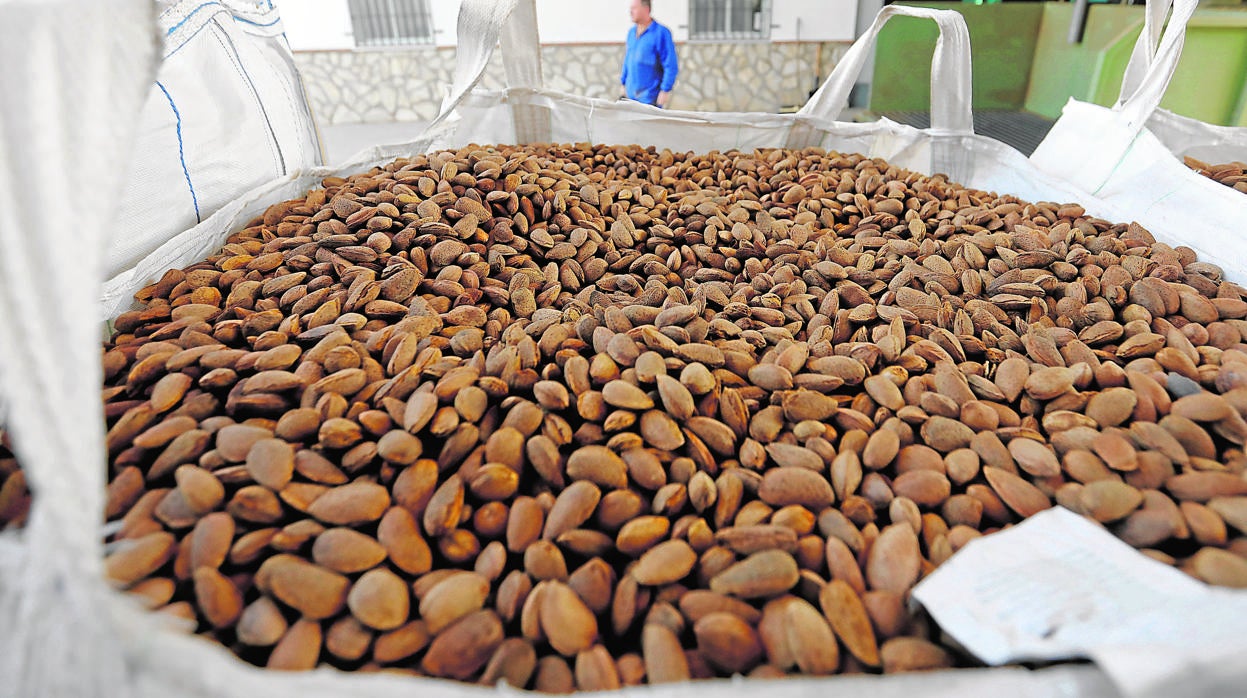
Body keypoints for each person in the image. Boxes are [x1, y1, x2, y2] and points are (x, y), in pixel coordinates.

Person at [620, 0, 678, 108]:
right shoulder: (631, 33)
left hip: (650, 100)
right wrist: (623, 83)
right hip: (630, 98)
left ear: (646, 9)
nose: (630, 12)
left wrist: (665, 91)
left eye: (634, 8)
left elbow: (670, 65)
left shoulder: (661, 33)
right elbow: (628, 59)